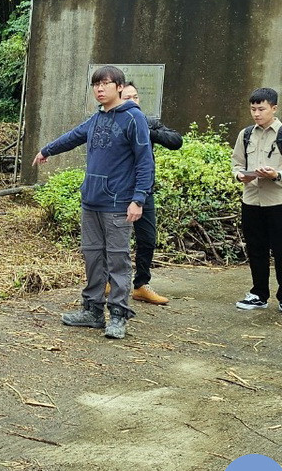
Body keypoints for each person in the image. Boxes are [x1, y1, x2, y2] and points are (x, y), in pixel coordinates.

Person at [32, 66, 155, 339]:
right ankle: (93, 311)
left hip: (118, 204)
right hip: (91, 202)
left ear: (120, 87)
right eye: (96, 85)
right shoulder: (98, 118)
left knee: (118, 261)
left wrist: (138, 200)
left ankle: (119, 315)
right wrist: (46, 151)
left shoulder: (134, 119)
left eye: (106, 84)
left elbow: (145, 163)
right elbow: (74, 136)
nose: (100, 89)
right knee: (92, 258)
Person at [231, 87, 282, 318]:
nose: (256, 114)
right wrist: (240, 175)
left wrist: (275, 174)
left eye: (261, 109)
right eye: (253, 109)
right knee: (256, 250)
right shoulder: (245, 134)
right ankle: (259, 294)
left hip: (280, 200)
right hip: (252, 200)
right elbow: (236, 163)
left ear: (274, 108)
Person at [119, 82, 183, 305]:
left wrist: (149, 130)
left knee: (147, 239)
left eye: (135, 97)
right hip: (117, 192)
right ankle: (110, 281)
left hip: (143, 192)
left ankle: (141, 285)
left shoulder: (147, 122)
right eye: (127, 98)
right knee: (115, 240)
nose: (132, 102)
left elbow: (176, 141)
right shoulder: (113, 122)